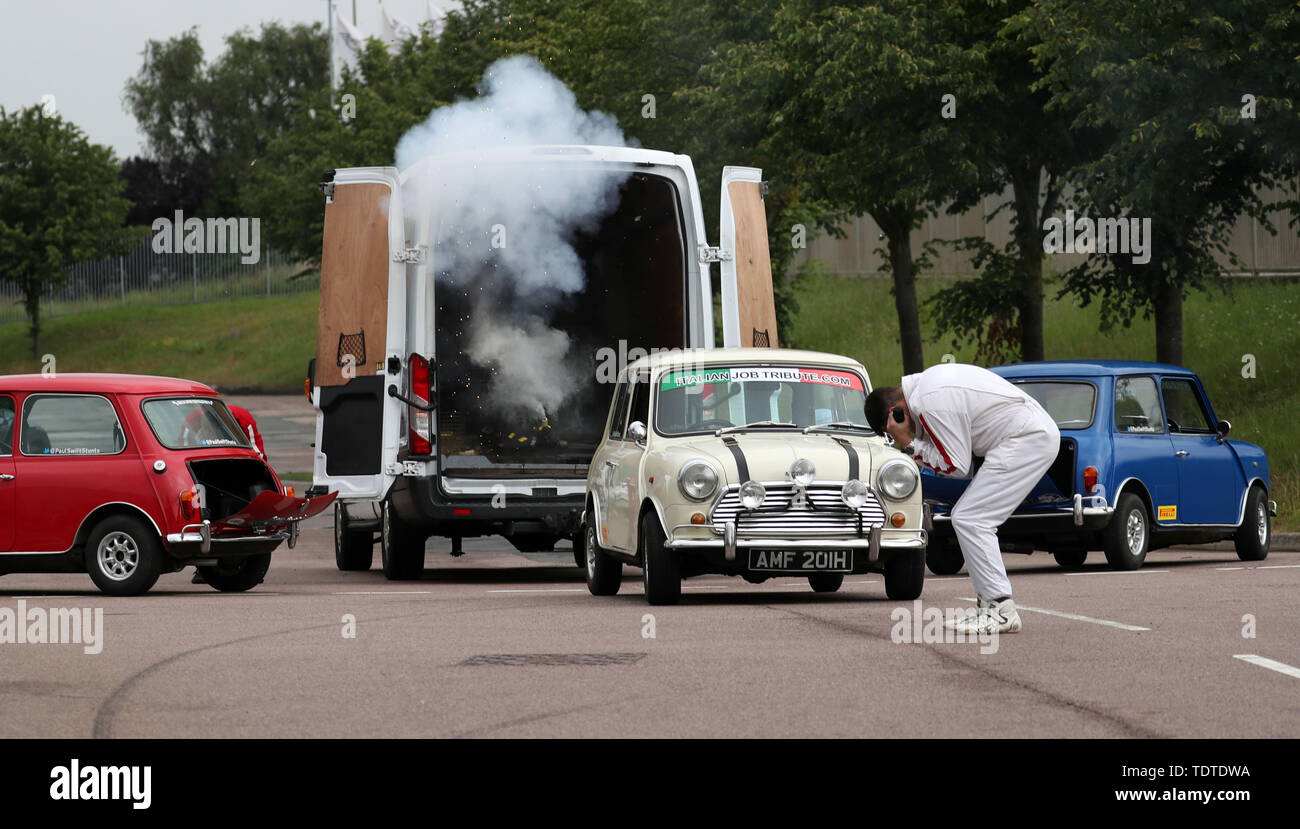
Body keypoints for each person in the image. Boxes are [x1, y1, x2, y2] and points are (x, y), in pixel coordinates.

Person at [865, 363, 1060, 634]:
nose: (895, 436)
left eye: (890, 431)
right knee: (968, 518)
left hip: (1026, 439)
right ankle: (988, 606)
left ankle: (1000, 609)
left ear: (895, 413)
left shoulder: (928, 403)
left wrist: (908, 443)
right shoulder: (927, 387)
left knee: (971, 519)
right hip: (1024, 436)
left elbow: (956, 465)